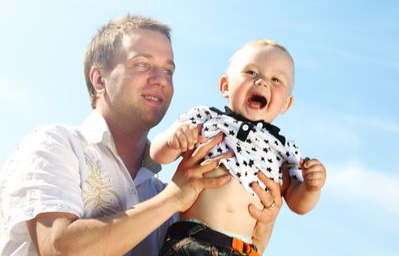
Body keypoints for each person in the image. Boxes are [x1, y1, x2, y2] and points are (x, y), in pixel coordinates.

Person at [0, 15, 281, 256]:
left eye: (168, 70)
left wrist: (261, 231)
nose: (160, 79)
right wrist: (173, 198)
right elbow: (58, 249)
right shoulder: (54, 144)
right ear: (99, 80)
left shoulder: (164, 195)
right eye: (142, 64)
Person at [151, 40, 327, 255]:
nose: (262, 82)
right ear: (225, 85)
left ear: (286, 104)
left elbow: (299, 204)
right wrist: (173, 139)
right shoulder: (207, 120)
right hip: (192, 241)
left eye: (275, 79)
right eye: (252, 72)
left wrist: (311, 187)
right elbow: (158, 155)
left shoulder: (284, 151)